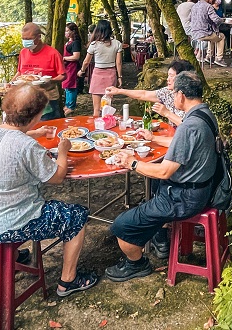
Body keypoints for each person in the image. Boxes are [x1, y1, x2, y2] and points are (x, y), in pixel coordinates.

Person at [0, 85, 98, 297]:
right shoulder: (27, 146)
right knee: (76, 216)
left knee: (6, 194)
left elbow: (9, 138)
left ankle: (15, 255)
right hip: (7, 224)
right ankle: (68, 281)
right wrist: (63, 151)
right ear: (37, 115)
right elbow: (57, 177)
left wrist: (34, 133)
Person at [105, 71, 219, 282]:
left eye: (174, 92)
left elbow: (164, 170)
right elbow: (184, 146)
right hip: (202, 188)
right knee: (153, 189)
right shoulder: (204, 114)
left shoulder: (189, 126)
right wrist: (153, 139)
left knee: (121, 225)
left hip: (185, 197)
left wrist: (132, 162)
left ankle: (137, 264)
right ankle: (159, 236)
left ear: (181, 95)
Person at [104, 60, 195, 127]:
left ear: (182, 77)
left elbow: (190, 126)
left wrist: (167, 113)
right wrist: (119, 91)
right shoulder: (167, 92)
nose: (168, 79)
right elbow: (143, 94)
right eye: (168, 76)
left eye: (171, 76)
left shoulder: (191, 97)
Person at [16, 22, 65, 119]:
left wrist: (51, 81)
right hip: (26, 97)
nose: (25, 41)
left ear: (38, 37)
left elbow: (63, 75)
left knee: (47, 127)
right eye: (23, 39)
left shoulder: (53, 53)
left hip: (48, 98)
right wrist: (11, 83)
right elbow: (20, 72)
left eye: (28, 39)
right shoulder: (23, 52)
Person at [78, 20, 123, 117]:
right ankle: (107, 128)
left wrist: (81, 71)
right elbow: (118, 63)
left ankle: (97, 129)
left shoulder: (94, 45)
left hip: (97, 75)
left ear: (97, 30)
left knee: (96, 109)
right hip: (111, 74)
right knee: (107, 108)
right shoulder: (117, 44)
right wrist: (120, 77)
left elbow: (86, 61)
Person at [189, 0, 226, 66]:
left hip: (194, 34)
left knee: (213, 36)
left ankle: (208, 56)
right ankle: (219, 58)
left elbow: (190, 18)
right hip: (204, 34)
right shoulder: (208, 6)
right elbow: (216, 20)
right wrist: (223, 20)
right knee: (221, 36)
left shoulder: (194, 6)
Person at [62, 22, 82, 116]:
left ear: (72, 32)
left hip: (72, 67)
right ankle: (67, 104)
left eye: (67, 31)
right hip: (67, 67)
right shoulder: (68, 42)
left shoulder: (75, 43)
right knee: (67, 87)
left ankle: (71, 106)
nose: (66, 33)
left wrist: (65, 58)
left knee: (71, 86)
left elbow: (76, 56)